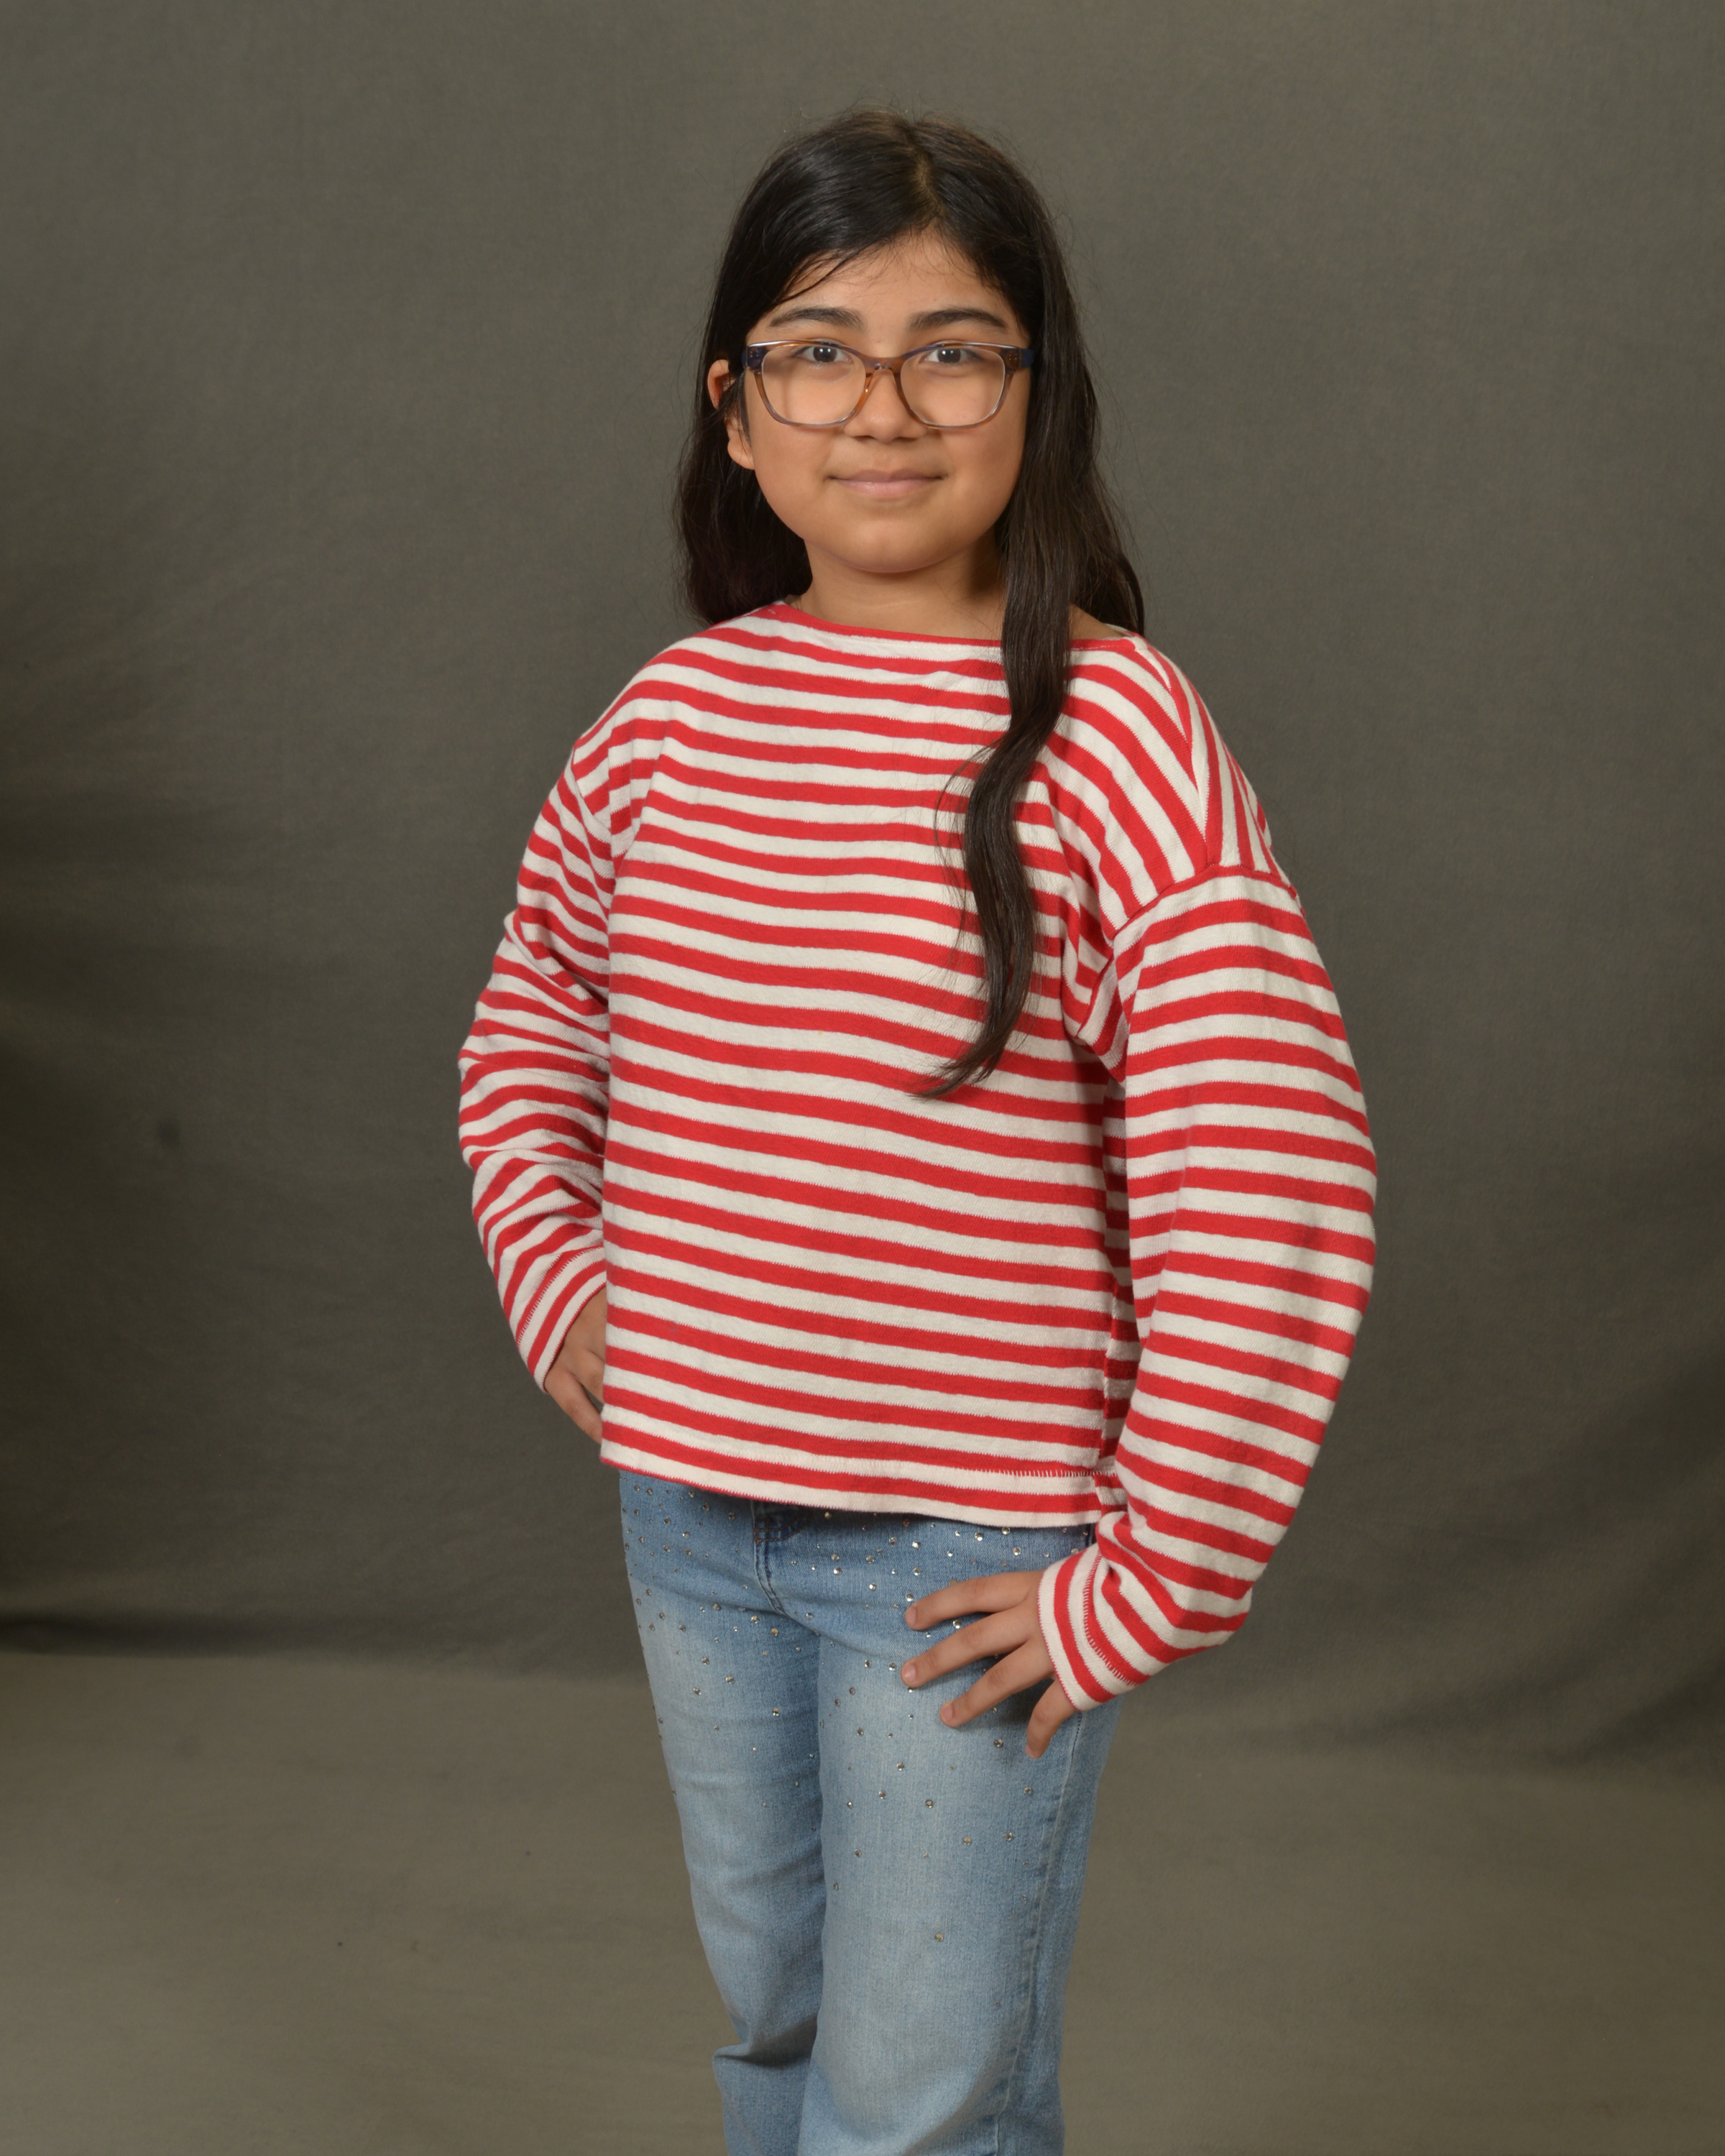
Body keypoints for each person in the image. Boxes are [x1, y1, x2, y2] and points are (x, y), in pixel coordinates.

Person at [458, 106, 1376, 2156]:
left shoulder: (1117, 737)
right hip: (691, 1513)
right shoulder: (665, 727)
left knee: (918, 2097)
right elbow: (531, 1026)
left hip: (967, 1557)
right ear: (735, 410)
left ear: (1039, 397)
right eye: (818, 351)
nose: (882, 408)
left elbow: (1271, 1177)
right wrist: (563, 1281)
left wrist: (1147, 1576)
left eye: (953, 351)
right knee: (780, 2024)